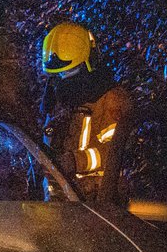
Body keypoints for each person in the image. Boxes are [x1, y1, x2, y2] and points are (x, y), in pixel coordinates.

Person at [38, 20, 133, 204]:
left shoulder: (111, 100)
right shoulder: (59, 100)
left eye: (70, 71)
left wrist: (75, 161)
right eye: (59, 74)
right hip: (59, 202)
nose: (63, 80)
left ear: (88, 65)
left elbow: (115, 152)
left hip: (100, 203)